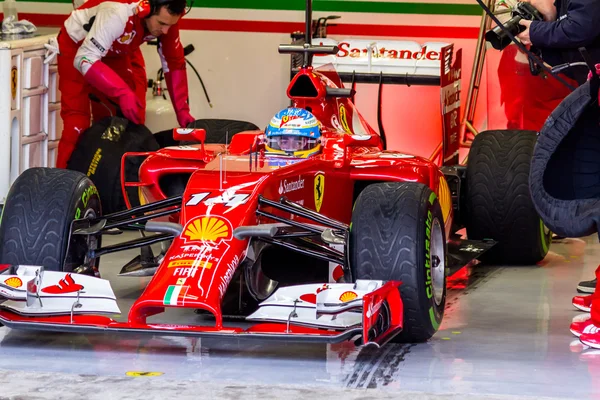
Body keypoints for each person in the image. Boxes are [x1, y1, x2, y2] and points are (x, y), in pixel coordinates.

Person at [53, 0, 195, 169]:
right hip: (77, 48)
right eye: (162, 24)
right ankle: (63, 186)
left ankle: (112, 182)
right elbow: (85, 59)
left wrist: (182, 111)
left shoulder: (167, 20)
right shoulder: (117, 13)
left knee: (130, 119)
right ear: (146, 10)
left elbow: (174, 62)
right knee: (77, 125)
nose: (165, 31)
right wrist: (121, 93)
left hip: (116, 51)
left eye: (171, 25)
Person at [516, 0, 600, 86]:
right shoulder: (560, 15)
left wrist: (536, 32)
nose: (534, 11)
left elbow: (582, 28)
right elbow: (573, 68)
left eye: (529, 3)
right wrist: (540, 46)